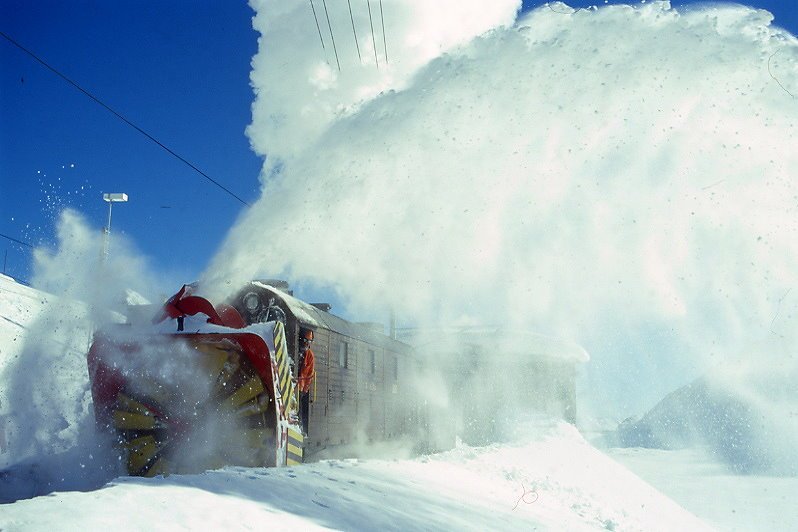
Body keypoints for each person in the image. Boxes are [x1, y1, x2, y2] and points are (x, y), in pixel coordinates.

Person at [297, 328, 315, 435]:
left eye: (309, 341)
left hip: (300, 387)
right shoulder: (296, 350)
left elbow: (310, 375)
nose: (306, 344)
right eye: (305, 341)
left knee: (300, 409)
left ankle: (300, 430)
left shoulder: (310, 356)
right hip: (294, 384)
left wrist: (305, 389)